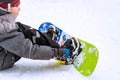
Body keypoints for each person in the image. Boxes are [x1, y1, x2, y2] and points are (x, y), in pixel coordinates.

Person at [0, 0, 81, 70]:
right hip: (3, 59)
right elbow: (30, 51)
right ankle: (65, 52)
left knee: (19, 28)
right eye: (16, 5)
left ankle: (45, 39)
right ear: (6, 7)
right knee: (26, 38)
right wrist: (58, 53)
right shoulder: (3, 27)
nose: (19, 8)